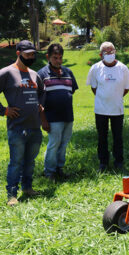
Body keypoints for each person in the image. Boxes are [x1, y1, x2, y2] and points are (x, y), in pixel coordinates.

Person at [0, 40, 46, 206]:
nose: (31, 57)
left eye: (33, 54)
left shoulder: (34, 74)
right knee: (16, 162)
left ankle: (27, 187)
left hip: (34, 126)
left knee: (30, 161)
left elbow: (42, 92)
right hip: (17, 127)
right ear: (18, 53)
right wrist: (4, 111)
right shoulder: (6, 73)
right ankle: (12, 194)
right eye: (28, 54)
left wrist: (40, 104)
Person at [86, 41, 129, 172]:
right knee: (102, 136)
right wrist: (104, 97)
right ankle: (103, 162)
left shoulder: (123, 68)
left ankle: (119, 161)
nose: (110, 54)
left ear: (115, 52)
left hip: (117, 109)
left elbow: (126, 88)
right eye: (106, 52)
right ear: (101, 54)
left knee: (118, 136)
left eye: (112, 51)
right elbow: (94, 87)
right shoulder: (95, 68)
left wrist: (116, 97)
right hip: (101, 109)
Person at [38, 43, 78, 181]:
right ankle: (49, 172)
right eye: (55, 58)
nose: (58, 61)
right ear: (48, 57)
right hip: (52, 118)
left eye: (60, 57)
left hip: (68, 116)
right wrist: (43, 119)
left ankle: (59, 169)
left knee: (64, 144)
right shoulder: (41, 74)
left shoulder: (68, 72)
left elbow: (70, 91)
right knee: (54, 144)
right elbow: (38, 100)